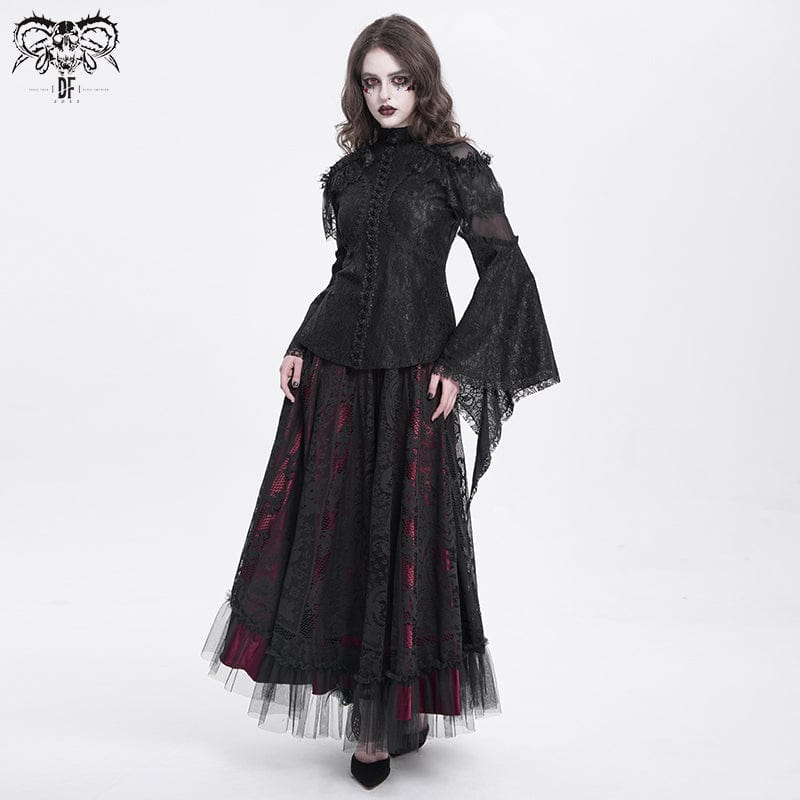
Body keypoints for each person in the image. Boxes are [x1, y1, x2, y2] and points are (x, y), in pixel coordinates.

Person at [200, 13, 560, 789]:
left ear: (423, 81)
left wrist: (459, 363)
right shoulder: (350, 173)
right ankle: (365, 712)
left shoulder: (457, 167)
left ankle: (388, 713)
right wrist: (301, 342)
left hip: (413, 375)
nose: (385, 95)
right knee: (339, 531)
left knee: (405, 534)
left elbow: (504, 265)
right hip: (335, 374)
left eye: (399, 79)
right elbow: (346, 276)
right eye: (371, 82)